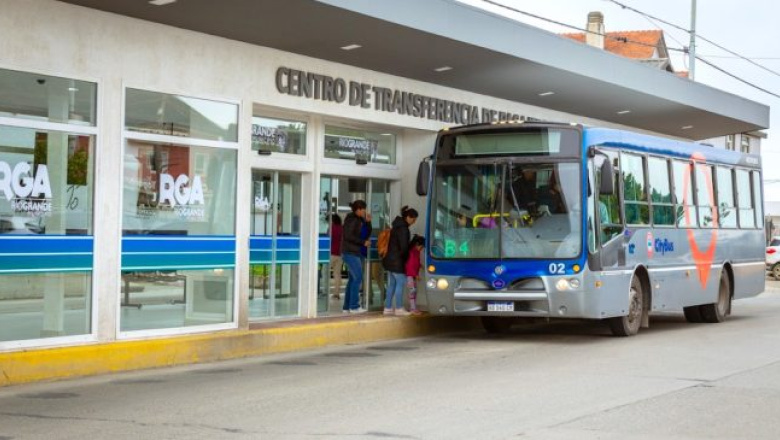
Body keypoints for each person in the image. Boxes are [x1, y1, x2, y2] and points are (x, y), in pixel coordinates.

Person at [382, 206, 418, 316]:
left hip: (389, 260)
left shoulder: (396, 226)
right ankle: (399, 308)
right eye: (413, 219)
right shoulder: (403, 229)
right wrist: (406, 258)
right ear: (408, 217)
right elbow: (404, 248)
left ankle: (387, 308)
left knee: (392, 285)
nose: (414, 222)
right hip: (397, 261)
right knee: (400, 284)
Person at [341, 200, 371, 314]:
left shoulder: (360, 219)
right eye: (363, 210)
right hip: (350, 252)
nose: (364, 212)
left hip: (356, 252)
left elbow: (367, 233)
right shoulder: (351, 220)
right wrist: (363, 242)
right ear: (358, 209)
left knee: (353, 279)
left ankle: (346, 307)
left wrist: (368, 222)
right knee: (358, 278)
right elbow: (348, 236)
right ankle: (354, 306)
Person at [405, 235, 425, 315]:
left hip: (412, 275)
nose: (422, 248)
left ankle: (413, 308)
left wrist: (420, 266)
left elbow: (416, 263)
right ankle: (413, 309)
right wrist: (416, 275)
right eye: (421, 246)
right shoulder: (412, 252)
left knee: (414, 291)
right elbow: (410, 265)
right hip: (410, 275)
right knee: (412, 291)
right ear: (417, 244)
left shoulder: (416, 252)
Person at [329, 213, 343, 300]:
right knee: (337, 274)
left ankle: (324, 292)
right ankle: (336, 293)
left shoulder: (331, 228)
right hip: (340, 254)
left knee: (325, 272)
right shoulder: (342, 228)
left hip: (331, 253)